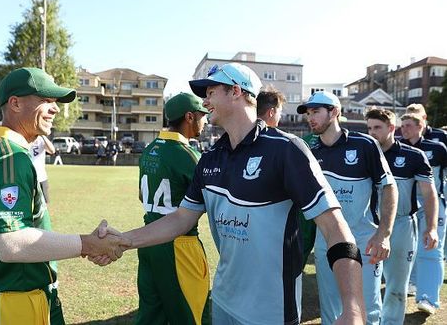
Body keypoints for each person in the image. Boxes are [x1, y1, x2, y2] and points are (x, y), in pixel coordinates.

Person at [97, 63, 366, 324]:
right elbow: (181, 218)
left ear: (236, 91)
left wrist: (353, 309)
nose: (205, 102)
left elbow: (335, 229)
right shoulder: (209, 158)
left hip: (270, 310)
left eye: (211, 92)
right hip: (224, 301)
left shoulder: (287, 150)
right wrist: (125, 240)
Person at [0, 67, 129, 325]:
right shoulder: (10, 157)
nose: (56, 108)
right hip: (17, 301)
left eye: (55, 102)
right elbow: (11, 243)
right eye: (46, 100)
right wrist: (88, 244)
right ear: (15, 103)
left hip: (10, 295)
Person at [297, 91, 398, 325]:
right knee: (330, 311)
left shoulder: (365, 145)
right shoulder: (310, 151)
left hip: (365, 240)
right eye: (308, 113)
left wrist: (384, 234)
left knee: (367, 311)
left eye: (316, 112)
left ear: (334, 112)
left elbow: (389, 188)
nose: (310, 118)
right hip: (326, 242)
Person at [135, 92, 210, 325]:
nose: (206, 121)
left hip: (148, 240)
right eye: (202, 115)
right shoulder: (188, 155)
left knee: (151, 315)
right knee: (192, 315)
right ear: (189, 117)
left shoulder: (150, 149)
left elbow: (141, 195)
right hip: (179, 244)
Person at [365, 108, 438, 323]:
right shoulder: (364, 154)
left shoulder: (413, 156)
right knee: (367, 283)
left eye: (377, 128)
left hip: (402, 226)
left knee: (396, 286)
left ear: (391, 128)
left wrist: (432, 228)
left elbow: (429, 194)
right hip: (368, 225)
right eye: (369, 128)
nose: (372, 133)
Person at [256, 88, 316, 267]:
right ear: (272, 111)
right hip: (280, 225)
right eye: (280, 112)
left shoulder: (236, 140)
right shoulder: (287, 143)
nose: (281, 118)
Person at [400, 112, 447, 314]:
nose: (404, 129)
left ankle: (428, 299)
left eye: (409, 125)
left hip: (433, 205)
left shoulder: (437, 148)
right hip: (406, 207)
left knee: (431, 250)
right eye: (402, 125)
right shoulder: (397, 148)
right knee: (404, 250)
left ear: (421, 127)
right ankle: (406, 285)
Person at [30, 135, 55, 203]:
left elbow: (52, 150)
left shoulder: (41, 140)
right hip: (28, 177)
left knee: (43, 203)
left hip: (41, 177)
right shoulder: (23, 138)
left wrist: (43, 135)